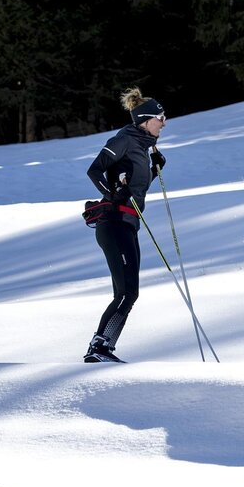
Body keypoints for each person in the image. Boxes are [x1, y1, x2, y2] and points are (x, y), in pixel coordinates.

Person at [83, 87, 168, 362]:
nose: (164, 122)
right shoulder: (124, 139)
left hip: (128, 224)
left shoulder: (142, 148)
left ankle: (103, 347)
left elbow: (134, 189)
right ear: (145, 120)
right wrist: (111, 193)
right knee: (126, 292)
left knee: (130, 293)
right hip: (114, 222)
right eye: (160, 117)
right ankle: (98, 347)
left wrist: (155, 170)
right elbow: (94, 170)